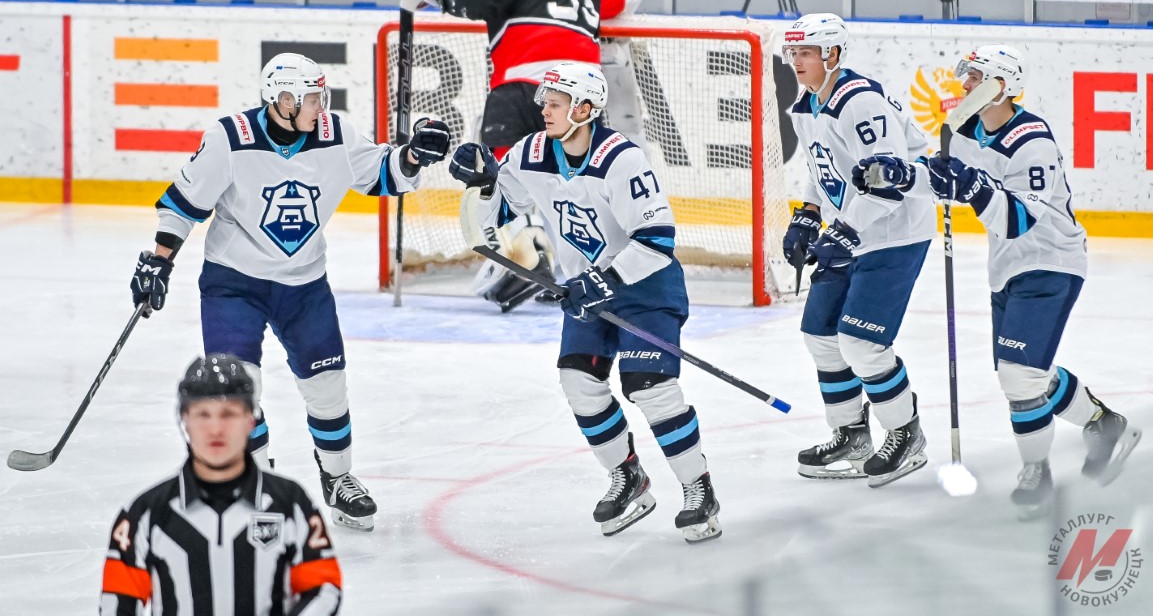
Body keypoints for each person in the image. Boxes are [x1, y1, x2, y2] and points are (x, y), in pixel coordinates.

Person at [129, 53, 450, 531]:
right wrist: (159, 259)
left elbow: (382, 173)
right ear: (283, 100)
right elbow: (184, 202)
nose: (320, 107)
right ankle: (256, 483)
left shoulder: (335, 134)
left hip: (304, 285)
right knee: (237, 387)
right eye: (312, 98)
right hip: (233, 284)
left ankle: (337, 478)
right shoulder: (230, 139)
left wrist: (412, 155)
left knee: (327, 388)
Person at [858, 44, 1142, 517]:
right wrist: (901, 175)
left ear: (1002, 87)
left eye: (976, 79)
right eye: (966, 77)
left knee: (1019, 376)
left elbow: (1018, 221)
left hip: (1051, 261)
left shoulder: (1032, 141)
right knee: (1033, 373)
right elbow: (943, 178)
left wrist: (971, 186)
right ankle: (1103, 423)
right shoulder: (966, 131)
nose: (965, 86)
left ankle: (1037, 472)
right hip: (1007, 269)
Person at [448, 62, 721, 543]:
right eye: (544, 101)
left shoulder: (622, 159)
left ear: (586, 109)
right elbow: (501, 207)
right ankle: (627, 476)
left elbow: (656, 239)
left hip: (645, 291)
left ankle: (698, 489)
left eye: (555, 103)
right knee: (579, 382)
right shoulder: (530, 152)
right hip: (585, 293)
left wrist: (602, 280)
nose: (544, 110)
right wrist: (482, 179)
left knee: (650, 389)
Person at [403, 0, 642, 312]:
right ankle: (588, 270)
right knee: (573, 188)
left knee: (501, 179)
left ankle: (526, 257)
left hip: (523, 85)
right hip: (583, 97)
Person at [781, 13, 936, 488]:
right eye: (794, 52)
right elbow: (821, 162)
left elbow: (887, 182)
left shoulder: (860, 103)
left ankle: (906, 434)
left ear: (833, 55)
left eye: (806, 52)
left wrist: (844, 229)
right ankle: (851, 435)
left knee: (863, 344)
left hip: (895, 233)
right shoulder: (808, 104)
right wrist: (809, 211)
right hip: (851, 230)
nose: (797, 61)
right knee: (821, 335)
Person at [100, 355, 342, 614]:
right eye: (203, 414)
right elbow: (118, 602)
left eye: (229, 414)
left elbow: (323, 589)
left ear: (250, 420)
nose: (215, 428)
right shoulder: (146, 513)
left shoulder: (290, 503)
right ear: (185, 421)